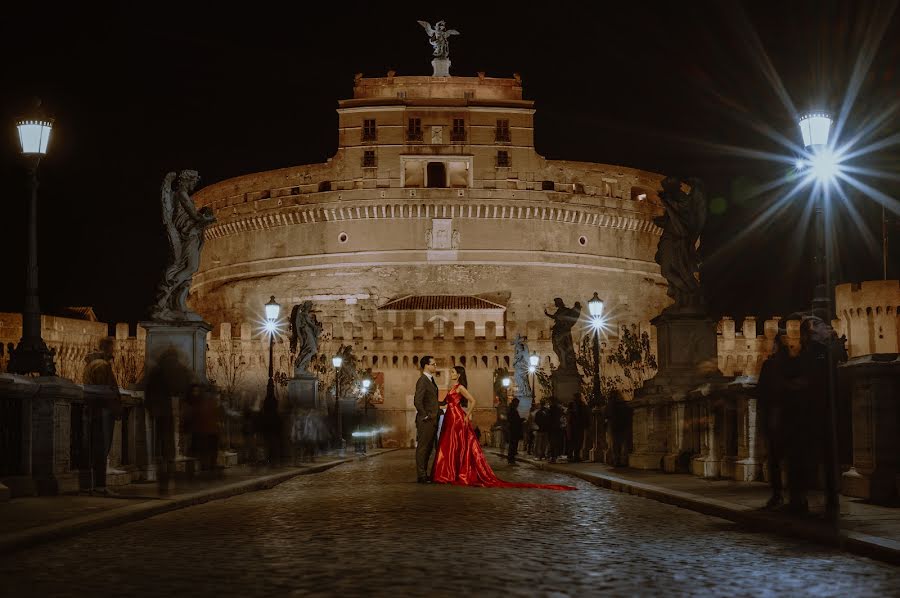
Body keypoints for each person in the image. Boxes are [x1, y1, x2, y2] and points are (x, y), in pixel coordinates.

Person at [431, 366, 575, 490]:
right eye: (451, 372)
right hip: (450, 416)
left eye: (453, 372)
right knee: (450, 444)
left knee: (457, 444)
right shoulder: (452, 388)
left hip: (456, 417)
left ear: (459, 374)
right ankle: (449, 472)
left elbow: (473, 401)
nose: (451, 374)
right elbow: (445, 403)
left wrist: (467, 414)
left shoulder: (460, 387)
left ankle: (454, 472)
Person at [82, 337, 122, 495]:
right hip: (102, 411)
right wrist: (115, 405)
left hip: (98, 409)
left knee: (96, 448)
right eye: (114, 348)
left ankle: (95, 485)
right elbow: (102, 390)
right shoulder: (101, 365)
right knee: (101, 448)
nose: (115, 351)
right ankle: (99, 486)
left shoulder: (96, 364)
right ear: (108, 348)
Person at [756, 332, 790, 510]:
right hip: (791, 417)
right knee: (790, 459)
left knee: (775, 459)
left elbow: (760, 393)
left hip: (775, 417)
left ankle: (777, 495)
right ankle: (796, 497)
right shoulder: (795, 364)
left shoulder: (770, 365)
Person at [413, 355, 440, 483]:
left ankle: (424, 473)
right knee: (423, 448)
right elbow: (417, 401)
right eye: (433, 364)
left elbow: (432, 400)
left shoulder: (430, 380)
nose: (435, 366)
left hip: (432, 419)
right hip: (426, 420)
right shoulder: (422, 380)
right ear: (426, 366)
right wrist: (425, 415)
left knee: (429, 448)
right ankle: (421, 475)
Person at [507, 398, 523, 465]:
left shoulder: (512, 410)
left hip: (514, 430)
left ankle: (511, 459)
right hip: (513, 430)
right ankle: (511, 460)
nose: (518, 405)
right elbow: (514, 420)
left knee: (513, 445)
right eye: (517, 403)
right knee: (513, 445)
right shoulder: (512, 410)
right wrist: (521, 420)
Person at [547, 398, 564, 463]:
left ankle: (553, 456)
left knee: (552, 443)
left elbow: (548, 419)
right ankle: (555, 456)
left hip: (552, 428)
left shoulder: (550, 410)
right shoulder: (559, 410)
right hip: (557, 428)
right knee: (556, 443)